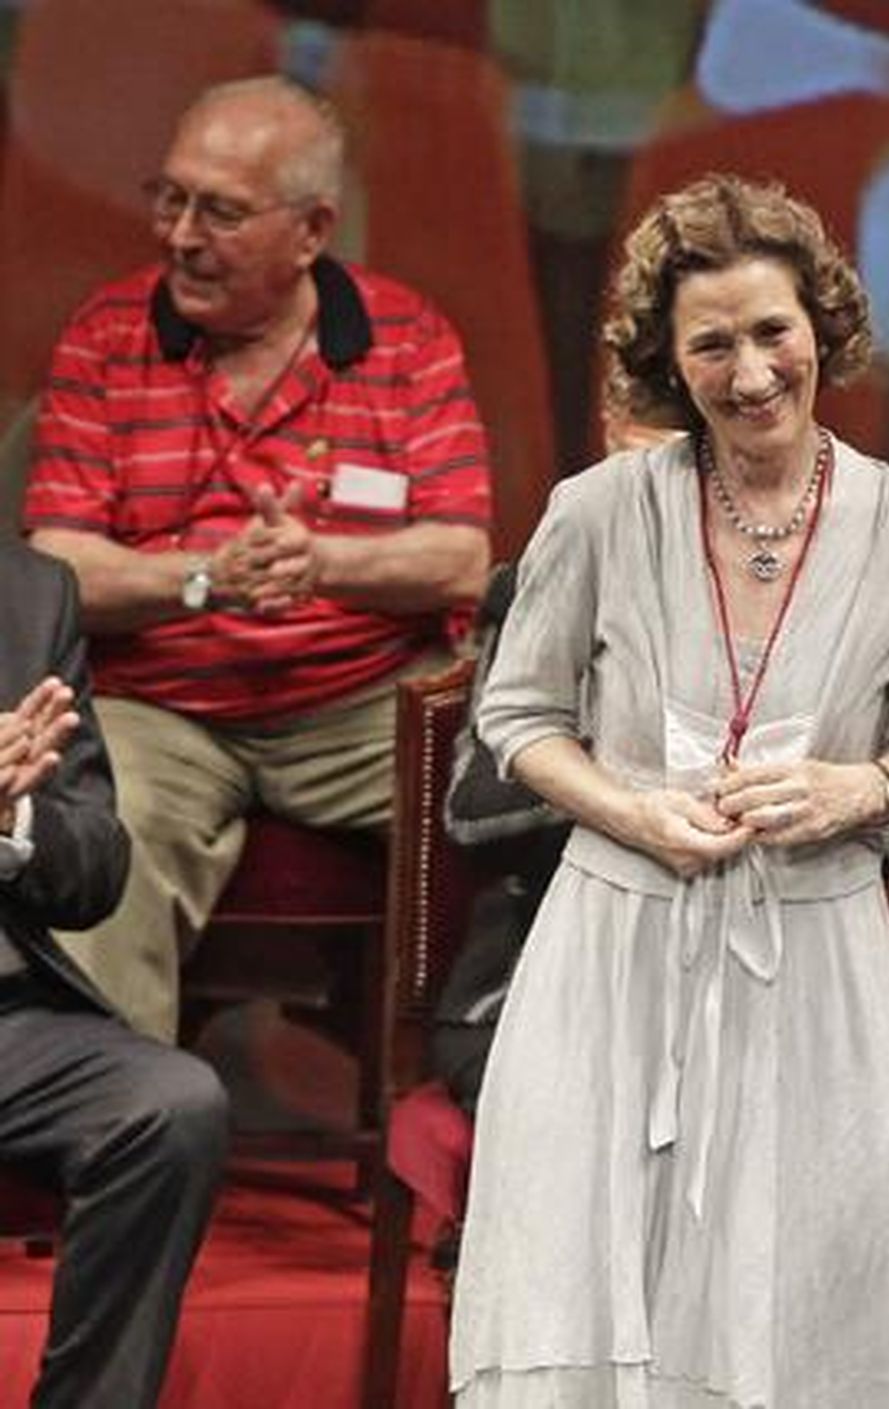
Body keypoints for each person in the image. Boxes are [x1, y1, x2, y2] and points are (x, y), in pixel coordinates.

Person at [449, 173, 889, 1407]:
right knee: (595, 1286)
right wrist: (629, 808)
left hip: (816, 961)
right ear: (666, 362)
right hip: (610, 953)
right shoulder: (596, 512)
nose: (750, 373)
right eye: (712, 345)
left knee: (809, 1301)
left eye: (772, 331)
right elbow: (515, 718)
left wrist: (857, 788)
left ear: (821, 326)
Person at [22, 75, 492, 1040]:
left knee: (507, 802)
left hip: (362, 704)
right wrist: (203, 579)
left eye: (220, 212)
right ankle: (123, 1130)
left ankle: (462, 1097)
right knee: (100, 833)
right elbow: (56, 567)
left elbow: (460, 558)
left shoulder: (407, 339)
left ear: (312, 230)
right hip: (163, 710)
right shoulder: (108, 338)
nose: (179, 235)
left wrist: (317, 562)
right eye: (171, 197)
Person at [0, 534, 229, 1409]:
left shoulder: (30, 592)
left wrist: (15, 813)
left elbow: (95, 868)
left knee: (168, 1105)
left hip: (12, 1022)